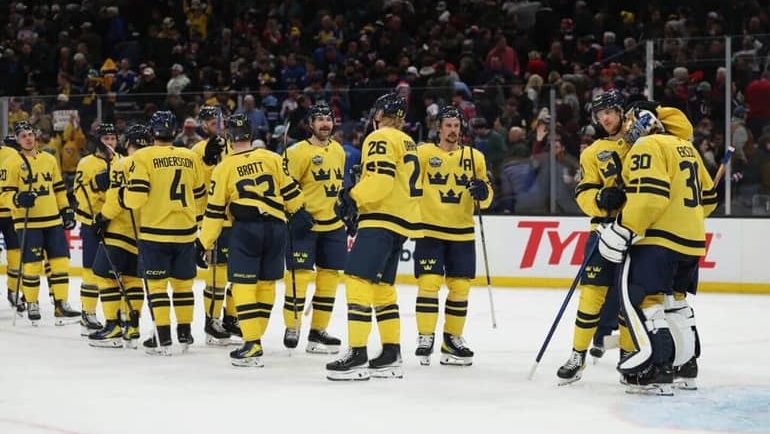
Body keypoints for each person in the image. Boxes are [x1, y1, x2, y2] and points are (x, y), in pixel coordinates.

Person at [597, 105, 717, 395]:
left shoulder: (647, 146)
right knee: (675, 303)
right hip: (691, 240)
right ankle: (685, 367)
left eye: (629, 121)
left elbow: (649, 197)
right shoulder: (685, 147)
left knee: (644, 301)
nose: (625, 127)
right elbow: (709, 199)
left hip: (658, 241)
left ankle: (656, 369)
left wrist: (625, 228)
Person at [325, 92, 423, 381]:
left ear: (381, 114)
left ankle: (357, 353)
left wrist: (353, 197)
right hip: (400, 221)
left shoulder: (380, 137)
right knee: (382, 286)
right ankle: (391, 354)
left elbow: (381, 180)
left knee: (357, 279)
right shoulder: (408, 142)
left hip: (381, 217)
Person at [197, 113, 306, 367]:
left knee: (242, 285)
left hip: (246, 229)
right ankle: (255, 337)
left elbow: (214, 212)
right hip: (277, 227)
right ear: (251, 134)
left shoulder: (224, 167)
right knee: (267, 284)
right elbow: (292, 194)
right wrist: (300, 215)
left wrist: (203, 242)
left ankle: (252, 343)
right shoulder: (272, 157)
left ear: (228, 138)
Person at [557, 90, 631, 385]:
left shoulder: (643, 142)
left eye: (611, 111)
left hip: (637, 231)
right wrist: (600, 197)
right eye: (601, 115)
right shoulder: (591, 152)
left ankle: (629, 355)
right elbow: (584, 192)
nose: (606, 118)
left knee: (632, 300)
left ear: (622, 112)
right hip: (603, 230)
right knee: (590, 296)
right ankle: (578, 354)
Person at [413, 105, 493, 366]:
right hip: (429, 229)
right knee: (429, 283)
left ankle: (452, 340)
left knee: (460, 288)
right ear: (439, 127)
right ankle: (425, 336)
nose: (453, 130)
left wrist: (484, 192)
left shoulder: (475, 157)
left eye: (457, 126)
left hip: (462, 231)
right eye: (448, 125)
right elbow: (411, 186)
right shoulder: (423, 153)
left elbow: (488, 196)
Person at [124, 111, 206, 355]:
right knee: (183, 286)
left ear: (152, 131)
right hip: (185, 232)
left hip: (155, 233)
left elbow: (135, 199)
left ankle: (162, 338)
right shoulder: (190, 157)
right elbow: (201, 196)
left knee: (157, 288)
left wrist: (122, 193)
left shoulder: (143, 156)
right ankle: (184, 334)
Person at [281, 102, 346, 353]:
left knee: (329, 280)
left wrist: (344, 206)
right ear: (310, 124)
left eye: (328, 118)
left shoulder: (339, 150)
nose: (325, 123)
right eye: (319, 119)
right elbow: (284, 184)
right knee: (298, 277)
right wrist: (296, 211)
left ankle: (318, 331)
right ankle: (293, 324)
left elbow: (338, 185)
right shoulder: (297, 151)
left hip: (333, 225)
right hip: (304, 224)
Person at [1, 121, 79, 325]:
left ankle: (61, 304)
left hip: (52, 220)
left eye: (30, 134)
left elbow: (59, 189)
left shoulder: (49, 159)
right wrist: (18, 200)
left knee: (60, 263)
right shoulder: (11, 162)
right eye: (23, 135)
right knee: (32, 264)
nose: (28, 138)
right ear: (17, 140)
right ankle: (32, 302)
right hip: (28, 222)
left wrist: (66, 210)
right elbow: (5, 195)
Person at [88, 124, 152, 348]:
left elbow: (115, 199)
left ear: (127, 143)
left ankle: (113, 325)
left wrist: (102, 218)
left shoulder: (122, 164)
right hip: (144, 232)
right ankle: (132, 325)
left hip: (119, 230)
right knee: (133, 279)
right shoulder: (154, 163)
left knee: (104, 275)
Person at [191, 105, 239, 345]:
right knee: (217, 274)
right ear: (202, 125)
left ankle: (232, 317)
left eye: (218, 120)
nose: (215, 124)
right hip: (215, 219)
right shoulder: (197, 150)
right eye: (210, 121)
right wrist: (207, 161)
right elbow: (197, 187)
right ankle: (212, 321)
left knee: (239, 273)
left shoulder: (234, 147)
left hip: (238, 219)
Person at [74, 123, 119, 336]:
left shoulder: (121, 161)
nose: (110, 142)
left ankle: (116, 315)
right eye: (106, 139)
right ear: (99, 141)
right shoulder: (86, 163)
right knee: (91, 270)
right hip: (93, 224)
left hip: (116, 224)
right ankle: (88, 313)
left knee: (115, 272)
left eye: (113, 138)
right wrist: (95, 187)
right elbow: (79, 194)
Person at [1, 135, 24, 313]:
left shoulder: (11, 154)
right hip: (9, 212)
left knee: (16, 254)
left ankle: (13, 290)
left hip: (10, 212)